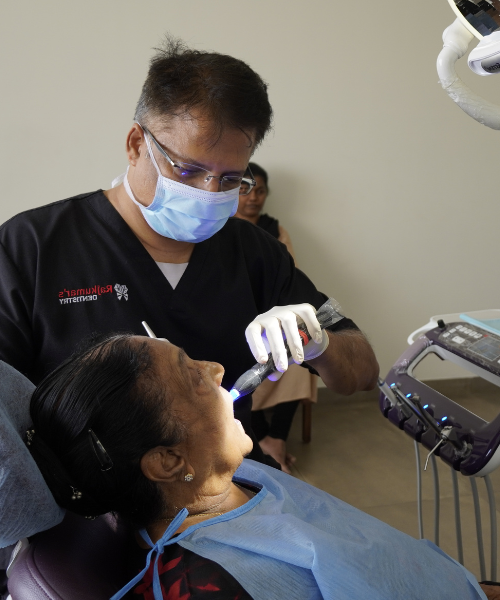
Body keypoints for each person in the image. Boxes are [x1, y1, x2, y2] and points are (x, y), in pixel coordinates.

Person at [0, 37, 378, 469]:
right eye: (189, 170)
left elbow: (362, 371)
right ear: (136, 144)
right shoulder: (31, 247)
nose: (208, 193)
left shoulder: (254, 253)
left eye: (231, 179)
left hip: (228, 494)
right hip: (86, 512)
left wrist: (318, 341)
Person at [26, 334, 491, 600]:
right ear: (168, 461)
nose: (217, 368)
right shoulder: (218, 585)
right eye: (192, 376)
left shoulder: (235, 477)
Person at [235, 162, 316, 473]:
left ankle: (276, 438)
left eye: (260, 191)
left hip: (271, 315)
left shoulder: (275, 231)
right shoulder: (220, 228)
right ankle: (259, 437)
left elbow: (289, 279)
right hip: (237, 318)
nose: (254, 197)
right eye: (246, 189)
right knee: (238, 359)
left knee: (298, 358)